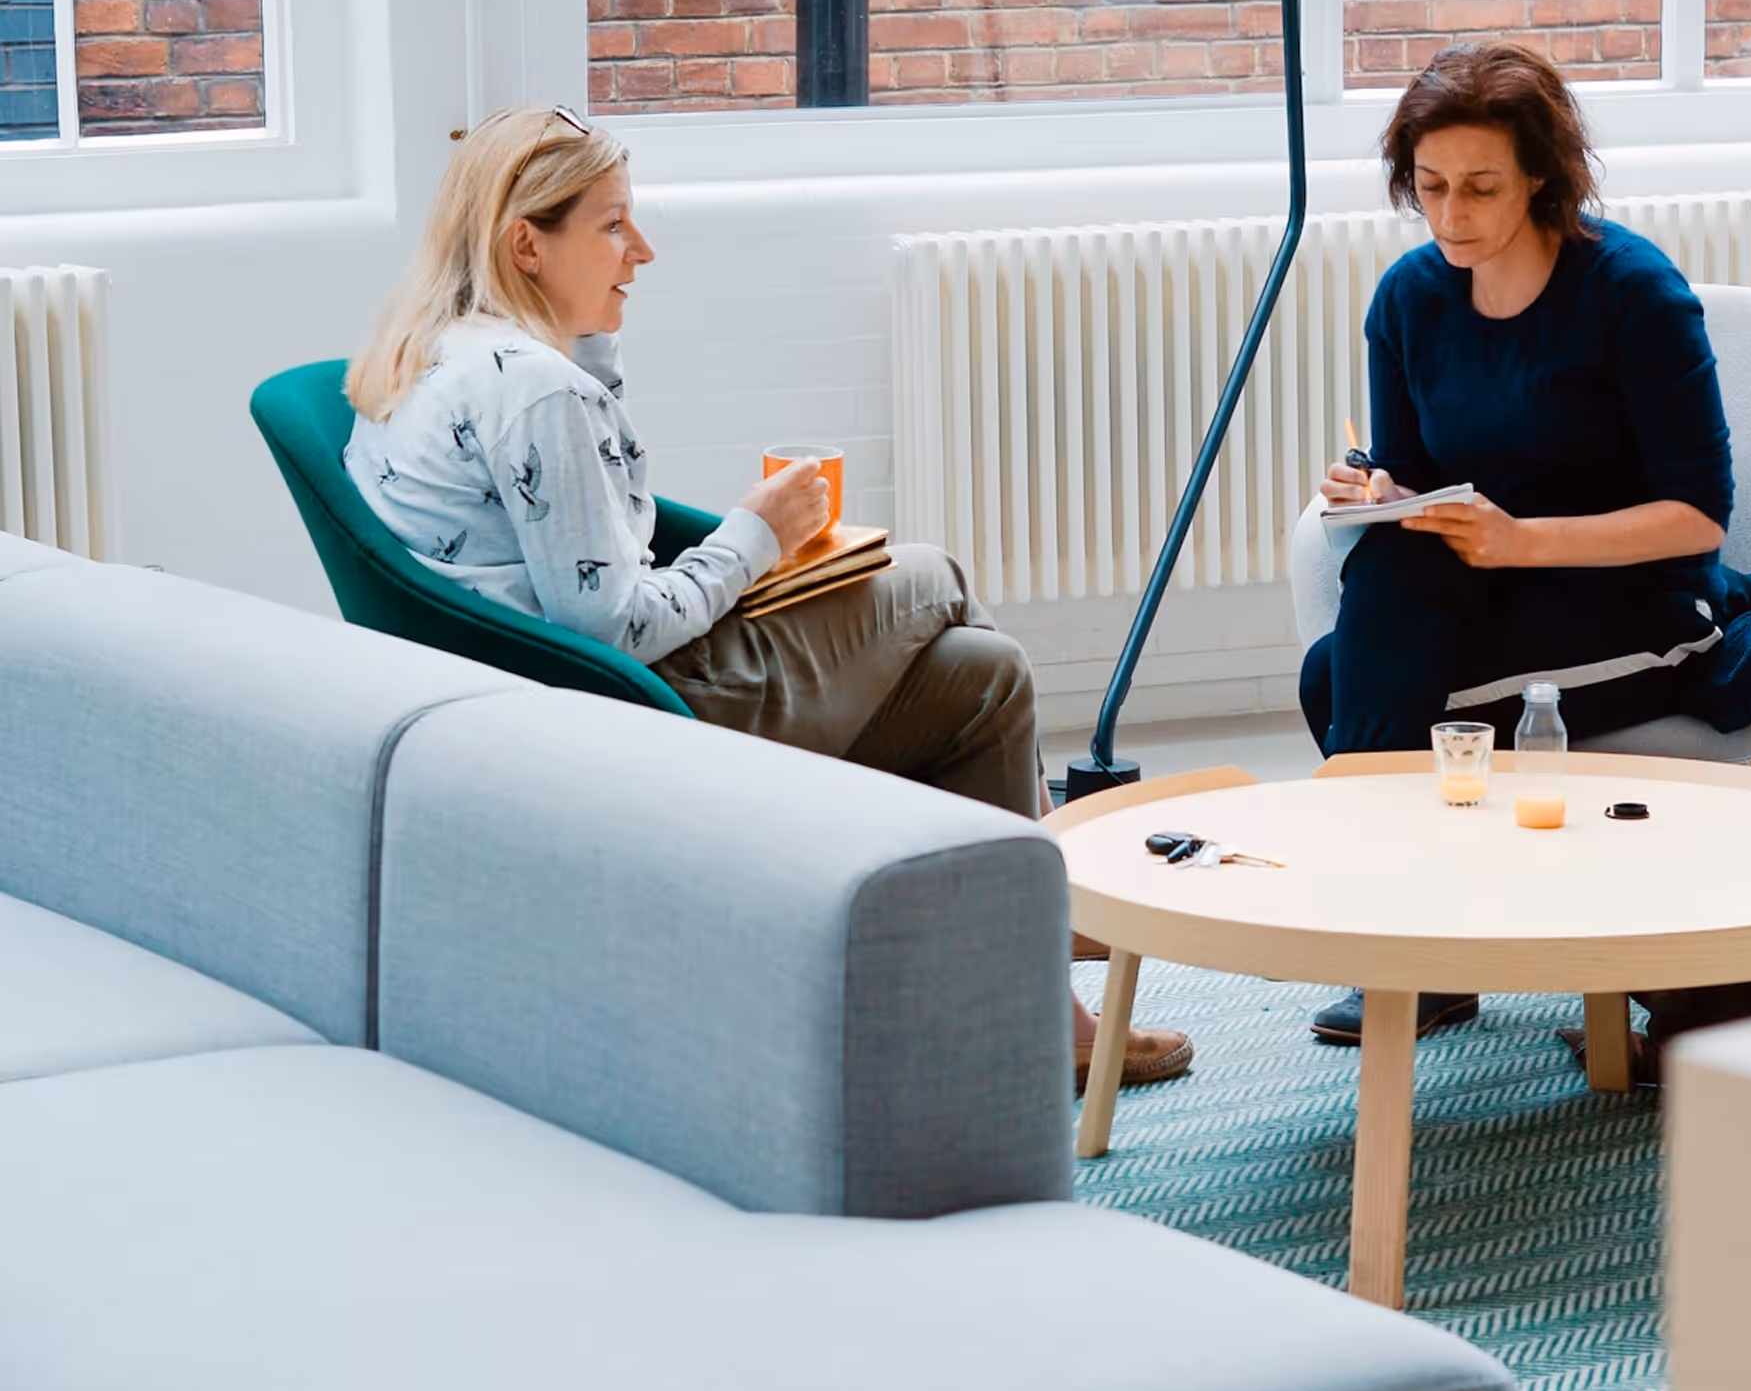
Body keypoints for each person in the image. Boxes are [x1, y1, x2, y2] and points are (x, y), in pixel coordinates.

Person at [344, 108, 1193, 1093]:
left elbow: (584, 554)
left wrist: (602, 359)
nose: (643, 251)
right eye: (613, 225)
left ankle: (1035, 1002)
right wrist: (755, 535)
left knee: (984, 677)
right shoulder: (541, 394)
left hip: (554, 703)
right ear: (525, 242)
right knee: (934, 574)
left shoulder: (450, 354)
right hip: (644, 709)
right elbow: (606, 623)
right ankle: (1048, 902)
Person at [1299, 44, 1751, 1063]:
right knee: (1344, 654)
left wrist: (1521, 541)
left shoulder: (1632, 293)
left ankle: (1411, 932)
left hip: (1638, 601)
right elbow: (1414, 477)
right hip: (1495, 595)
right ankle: (1427, 931)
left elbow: (1698, 517)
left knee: (1352, 685)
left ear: (1542, 174)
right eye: (1428, 188)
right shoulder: (1411, 298)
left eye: (1480, 188)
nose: (1450, 215)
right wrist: (1372, 490)